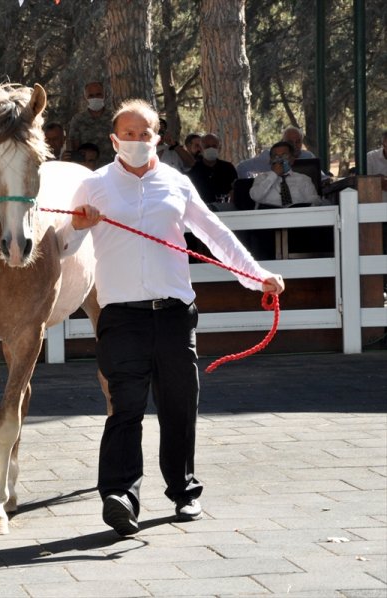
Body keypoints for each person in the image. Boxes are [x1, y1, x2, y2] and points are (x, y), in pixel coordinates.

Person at [68, 99, 285, 537]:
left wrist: (256, 276)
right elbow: (65, 246)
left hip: (173, 315)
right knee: (124, 407)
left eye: (144, 133)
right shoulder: (93, 186)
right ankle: (119, 495)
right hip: (120, 317)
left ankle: (184, 491)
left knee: (179, 406)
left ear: (158, 138)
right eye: (127, 134)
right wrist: (77, 225)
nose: (136, 141)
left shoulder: (177, 182)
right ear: (114, 140)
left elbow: (213, 233)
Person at [250, 141, 321, 208]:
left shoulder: (304, 179)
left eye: (284, 156)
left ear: (292, 160)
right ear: (271, 161)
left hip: (298, 217)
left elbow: (315, 201)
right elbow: (255, 196)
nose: (280, 159)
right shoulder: (261, 178)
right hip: (270, 218)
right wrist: (274, 174)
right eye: (276, 156)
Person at [67, 80, 114, 167]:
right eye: (91, 96)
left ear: (104, 95)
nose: (95, 98)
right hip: (87, 169)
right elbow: (74, 148)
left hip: (111, 168)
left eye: (98, 94)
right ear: (86, 97)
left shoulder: (114, 118)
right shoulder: (78, 120)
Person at [187, 133, 238, 204]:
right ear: (201, 149)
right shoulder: (194, 170)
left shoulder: (228, 168)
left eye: (214, 146)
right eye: (207, 147)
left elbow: (236, 189)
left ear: (219, 148)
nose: (211, 149)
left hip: (225, 209)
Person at [366, 130, 387, 200]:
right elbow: (365, 182)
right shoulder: (371, 157)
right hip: (375, 206)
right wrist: (377, 181)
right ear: (384, 143)